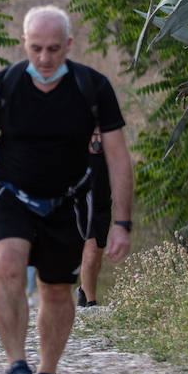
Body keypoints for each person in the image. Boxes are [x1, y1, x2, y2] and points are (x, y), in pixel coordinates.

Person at [0, 5, 133, 374]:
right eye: (36, 48)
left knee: (57, 291)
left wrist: (122, 223)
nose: (44, 58)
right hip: (11, 194)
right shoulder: (3, 85)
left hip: (68, 200)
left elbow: (119, 156)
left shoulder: (92, 87)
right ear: (24, 43)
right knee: (5, 269)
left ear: (68, 45)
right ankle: (16, 365)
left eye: (53, 49)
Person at [78, 128, 111, 307]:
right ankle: (91, 304)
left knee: (97, 257)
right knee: (89, 254)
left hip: (103, 202)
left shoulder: (111, 137)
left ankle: (83, 292)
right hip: (83, 202)